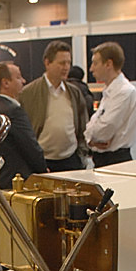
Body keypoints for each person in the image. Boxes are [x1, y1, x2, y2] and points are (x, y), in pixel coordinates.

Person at [20, 40, 89, 172]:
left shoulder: (74, 93)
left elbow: (82, 125)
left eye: (68, 62)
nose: (66, 67)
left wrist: (82, 153)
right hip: (43, 162)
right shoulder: (28, 93)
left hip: (71, 160)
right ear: (47, 63)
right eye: (62, 63)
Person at [0, 61, 47, 189]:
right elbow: (29, 146)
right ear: (6, 83)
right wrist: (43, 171)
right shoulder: (13, 111)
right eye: (18, 77)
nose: (23, 81)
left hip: (4, 178)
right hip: (21, 180)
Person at [84, 41, 136, 167]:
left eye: (95, 63)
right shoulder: (109, 92)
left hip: (116, 161)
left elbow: (104, 131)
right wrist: (91, 140)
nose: (91, 68)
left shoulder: (124, 92)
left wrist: (91, 136)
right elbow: (90, 128)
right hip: (102, 160)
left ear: (108, 64)